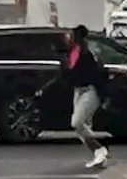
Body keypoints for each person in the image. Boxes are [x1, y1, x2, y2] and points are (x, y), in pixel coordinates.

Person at [40, 24, 108, 169]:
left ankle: (99, 149)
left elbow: (95, 74)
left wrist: (103, 96)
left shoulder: (86, 54)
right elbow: (64, 75)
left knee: (76, 122)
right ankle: (98, 155)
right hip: (78, 90)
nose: (67, 37)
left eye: (70, 35)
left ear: (76, 37)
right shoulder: (72, 53)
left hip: (90, 90)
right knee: (83, 126)